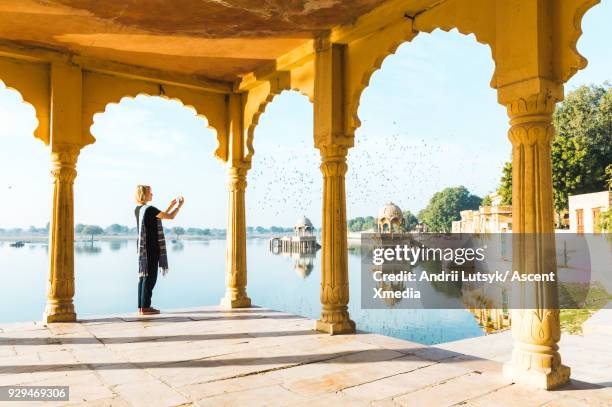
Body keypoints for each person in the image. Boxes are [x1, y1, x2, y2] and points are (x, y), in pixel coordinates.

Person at [134, 185, 184, 315]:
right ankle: (146, 307)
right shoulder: (150, 209)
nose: (152, 195)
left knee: (143, 277)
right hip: (151, 248)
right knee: (150, 278)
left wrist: (170, 205)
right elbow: (170, 216)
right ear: (144, 194)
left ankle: (141, 307)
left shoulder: (139, 209)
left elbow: (158, 217)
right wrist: (179, 206)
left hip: (142, 249)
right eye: (150, 193)